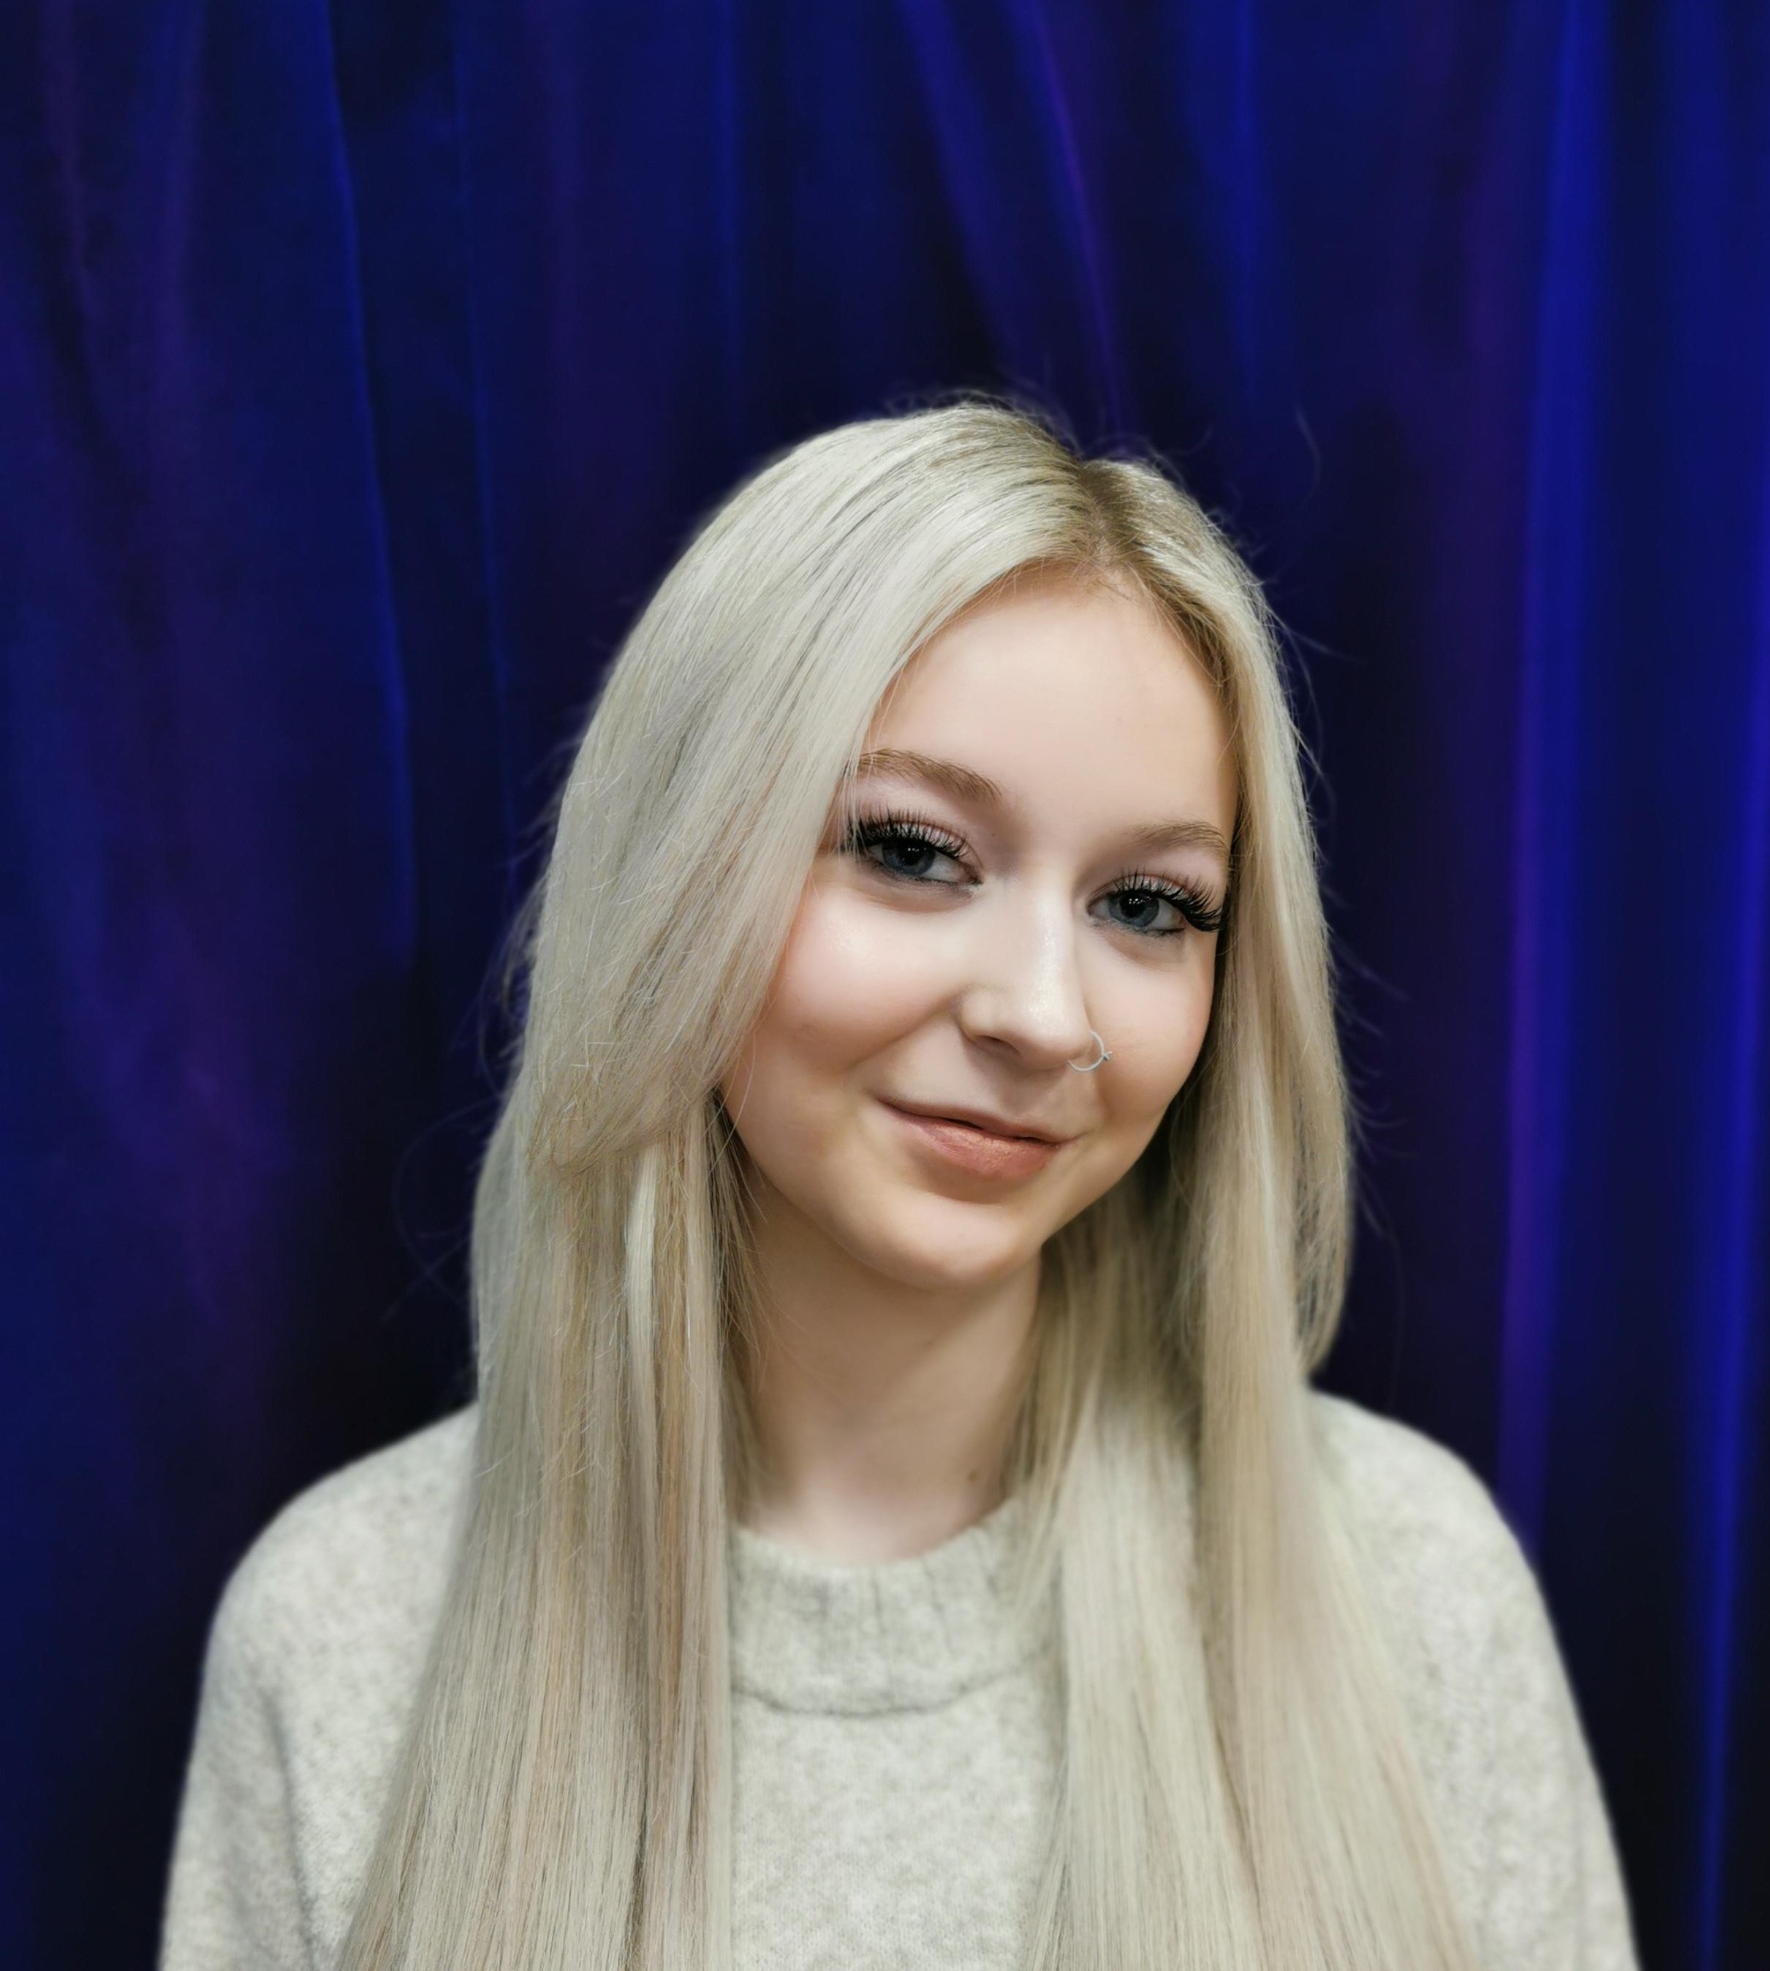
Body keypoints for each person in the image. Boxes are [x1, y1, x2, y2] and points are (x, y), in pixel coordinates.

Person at [159, 401, 1639, 1971]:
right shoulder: (345, 1634)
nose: (1045, 1017)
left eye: (1150, 904)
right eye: (916, 852)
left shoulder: (1409, 1590)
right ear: (680, 874)